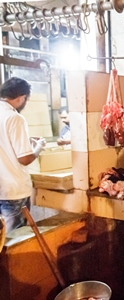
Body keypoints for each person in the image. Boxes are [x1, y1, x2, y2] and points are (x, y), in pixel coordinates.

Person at [0, 77, 46, 233]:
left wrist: (26, 141)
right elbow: (24, 159)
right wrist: (38, 147)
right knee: (15, 241)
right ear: (21, 98)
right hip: (13, 191)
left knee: (2, 240)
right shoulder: (15, 118)